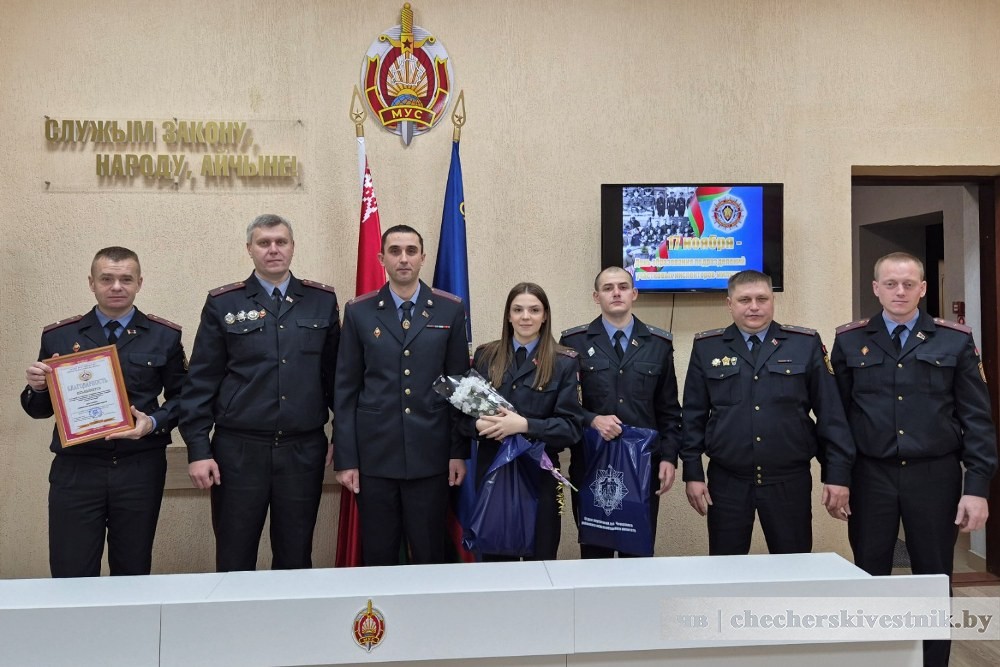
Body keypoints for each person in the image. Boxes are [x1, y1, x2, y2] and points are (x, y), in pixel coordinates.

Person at [831, 252, 997, 667]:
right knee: (870, 575)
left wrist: (976, 488)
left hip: (934, 476)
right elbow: (838, 420)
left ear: (923, 288)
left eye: (908, 284)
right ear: (876, 288)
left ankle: (933, 661)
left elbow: (977, 421)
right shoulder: (850, 341)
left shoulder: (954, 340)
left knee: (934, 578)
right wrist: (838, 477)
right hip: (870, 476)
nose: (900, 291)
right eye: (891, 284)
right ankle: (875, 659)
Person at [180, 214, 340, 572]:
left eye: (281, 242)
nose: (273, 249)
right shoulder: (223, 303)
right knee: (234, 556)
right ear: (249, 249)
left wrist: (341, 436)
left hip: (302, 450)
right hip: (238, 451)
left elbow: (337, 380)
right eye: (264, 243)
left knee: (295, 556)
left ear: (293, 247)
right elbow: (201, 382)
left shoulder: (321, 301)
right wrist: (198, 449)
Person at [21, 246, 186, 577]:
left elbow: (185, 399)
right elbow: (40, 410)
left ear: (139, 283)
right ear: (91, 283)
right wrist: (37, 388)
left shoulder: (164, 335)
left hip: (139, 466)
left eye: (126, 279)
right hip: (77, 468)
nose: (116, 287)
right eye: (107, 279)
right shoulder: (60, 336)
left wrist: (154, 422)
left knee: (132, 570)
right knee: (71, 572)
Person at [680, 269, 854, 555]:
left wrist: (837, 475)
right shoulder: (707, 347)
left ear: (773, 300)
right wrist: (693, 473)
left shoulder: (804, 343)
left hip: (789, 480)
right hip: (728, 481)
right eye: (744, 300)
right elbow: (693, 416)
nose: (754, 307)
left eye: (762, 299)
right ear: (729, 304)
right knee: (726, 567)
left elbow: (831, 415)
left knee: (793, 565)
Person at [334, 224, 469, 566]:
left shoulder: (449, 309)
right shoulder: (359, 311)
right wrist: (346, 458)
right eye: (395, 251)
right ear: (382, 259)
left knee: (429, 552)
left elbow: (457, 386)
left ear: (423, 258)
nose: (403, 258)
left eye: (411, 251)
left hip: (431, 457)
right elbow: (346, 389)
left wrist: (458, 452)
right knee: (379, 554)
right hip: (375, 458)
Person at [560, 266, 682, 558]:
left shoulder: (658, 344)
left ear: (634, 294)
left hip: (643, 466)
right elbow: (563, 406)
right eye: (608, 288)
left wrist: (669, 457)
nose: (616, 293)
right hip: (591, 463)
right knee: (595, 555)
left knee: (637, 556)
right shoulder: (574, 342)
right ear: (596, 297)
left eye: (623, 287)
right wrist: (592, 420)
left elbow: (668, 409)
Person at [461, 282, 585, 560]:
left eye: (534, 310)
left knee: (539, 563)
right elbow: (462, 419)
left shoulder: (564, 362)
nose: (525, 317)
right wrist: (478, 426)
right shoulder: (486, 356)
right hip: (493, 472)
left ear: (545, 315)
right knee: (495, 563)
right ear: (508, 315)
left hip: (540, 476)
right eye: (518, 310)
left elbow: (571, 428)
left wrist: (525, 425)